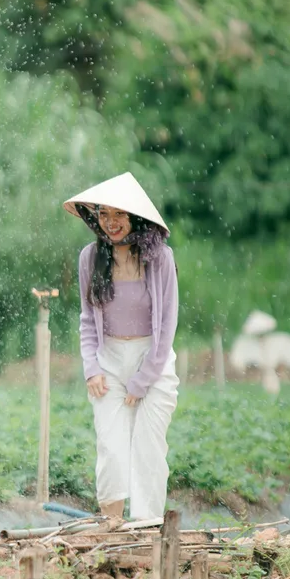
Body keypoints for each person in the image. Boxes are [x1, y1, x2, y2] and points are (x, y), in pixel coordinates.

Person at [63, 172, 179, 521]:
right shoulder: (89, 258)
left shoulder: (160, 259)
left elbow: (167, 324)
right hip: (109, 359)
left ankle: (146, 527)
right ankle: (112, 526)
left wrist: (143, 379)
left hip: (153, 361)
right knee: (111, 447)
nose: (111, 223)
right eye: (104, 215)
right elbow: (87, 318)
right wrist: (91, 368)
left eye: (119, 214)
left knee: (148, 448)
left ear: (136, 218)